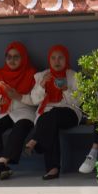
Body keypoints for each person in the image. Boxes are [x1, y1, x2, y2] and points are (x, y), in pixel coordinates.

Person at [25, 45, 81, 180]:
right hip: (47, 115)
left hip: (69, 112)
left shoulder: (74, 76)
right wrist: (42, 85)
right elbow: (34, 100)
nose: (57, 61)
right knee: (50, 123)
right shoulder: (42, 76)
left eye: (60, 58)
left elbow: (78, 102)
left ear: (66, 59)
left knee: (51, 116)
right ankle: (53, 169)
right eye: (53, 58)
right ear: (49, 60)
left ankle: (35, 139)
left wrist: (65, 89)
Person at [0, 42, 37, 179]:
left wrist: (18, 96)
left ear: (23, 58)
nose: (12, 60)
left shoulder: (31, 74)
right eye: (9, 57)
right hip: (3, 110)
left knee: (21, 127)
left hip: (24, 110)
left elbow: (36, 99)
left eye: (16, 57)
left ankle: (0, 162)